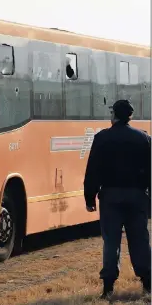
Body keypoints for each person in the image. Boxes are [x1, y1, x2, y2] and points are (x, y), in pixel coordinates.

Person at [83, 99, 151, 299]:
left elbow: (92, 170)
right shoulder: (144, 139)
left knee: (111, 241)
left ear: (114, 115)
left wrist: (90, 197)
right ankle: (147, 282)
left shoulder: (102, 138)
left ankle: (108, 287)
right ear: (130, 116)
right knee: (140, 239)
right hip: (138, 195)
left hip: (110, 196)